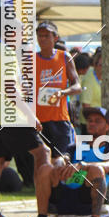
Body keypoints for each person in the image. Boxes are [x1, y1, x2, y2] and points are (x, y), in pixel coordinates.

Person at [0, 39, 49, 217]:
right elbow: (11, 89)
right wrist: (31, 116)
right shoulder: (8, 53)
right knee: (42, 153)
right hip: (10, 115)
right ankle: (45, 212)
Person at [26, 107, 109, 217]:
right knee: (45, 169)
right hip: (64, 194)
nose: (92, 123)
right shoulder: (75, 146)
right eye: (90, 120)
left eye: (97, 121)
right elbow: (65, 157)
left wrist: (83, 166)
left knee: (96, 169)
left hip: (87, 198)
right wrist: (61, 162)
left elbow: (108, 166)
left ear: (107, 127)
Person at [35, 21, 81, 157]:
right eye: (40, 36)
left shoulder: (64, 57)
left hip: (60, 120)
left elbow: (77, 85)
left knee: (61, 161)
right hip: (38, 121)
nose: (42, 39)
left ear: (55, 38)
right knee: (43, 163)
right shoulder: (31, 60)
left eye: (46, 36)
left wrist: (62, 93)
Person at [80, 51, 102, 133]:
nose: (103, 68)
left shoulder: (107, 78)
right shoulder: (89, 79)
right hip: (89, 124)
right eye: (100, 65)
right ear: (95, 65)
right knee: (85, 146)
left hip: (102, 123)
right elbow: (86, 106)